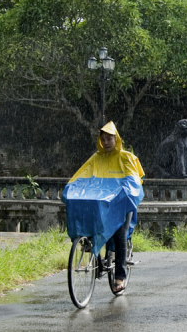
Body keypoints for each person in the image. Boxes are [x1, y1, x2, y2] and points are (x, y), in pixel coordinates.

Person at [62, 121, 145, 294]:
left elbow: (133, 183)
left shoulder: (126, 158)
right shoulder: (95, 159)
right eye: (103, 139)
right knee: (90, 222)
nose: (106, 142)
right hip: (103, 205)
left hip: (122, 205)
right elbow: (81, 177)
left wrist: (121, 195)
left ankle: (120, 276)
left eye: (109, 139)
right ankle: (96, 254)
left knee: (120, 235)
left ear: (116, 139)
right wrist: (71, 188)